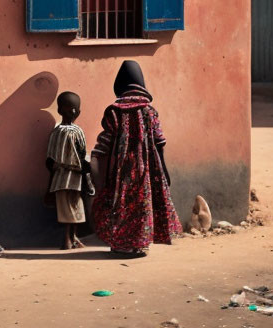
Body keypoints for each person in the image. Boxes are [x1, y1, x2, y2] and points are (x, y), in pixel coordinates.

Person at [90, 61, 182, 256]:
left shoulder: (113, 112)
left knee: (121, 204)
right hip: (147, 170)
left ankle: (121, 245)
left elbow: (104, 142)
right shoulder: (150, 111)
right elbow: (159, 142)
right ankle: (139, 244)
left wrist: (96, 160)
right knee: (142, 204)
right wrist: (163, 170)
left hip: (120, 170)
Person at [45, 91, 95, 250]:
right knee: (74, 210)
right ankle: (68, 240)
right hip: (74, 178)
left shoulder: (55, 132)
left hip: (59, 179)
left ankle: (73, 238)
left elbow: (49, 160)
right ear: (78, 112)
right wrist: (88, 172)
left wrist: (52, 179)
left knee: (67, 210)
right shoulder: (77, 131)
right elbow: (82, 156)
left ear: (59, 111)